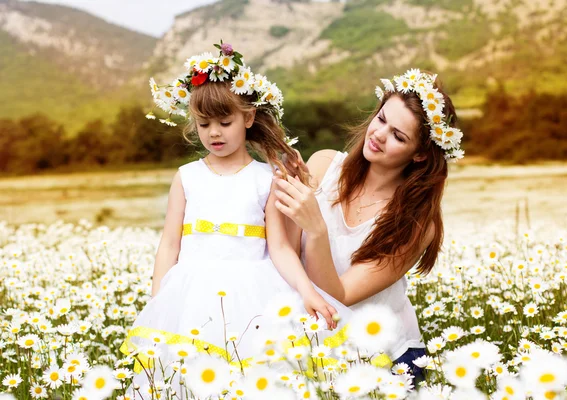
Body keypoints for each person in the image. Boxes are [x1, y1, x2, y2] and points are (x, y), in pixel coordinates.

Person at [120, 43, 349, 384]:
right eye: (203, 124)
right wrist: (158, 303)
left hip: (252, 295)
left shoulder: (266, 178)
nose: (214, 132)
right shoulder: (186, 177)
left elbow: (281, 248)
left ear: (248, 118)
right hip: (190, 296)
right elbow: (169, 246)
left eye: (225, 122)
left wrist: (307, 291)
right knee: (187, 379)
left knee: (251, 376)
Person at [275, 69, 464, 383]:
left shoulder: (416, 223)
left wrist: (317, 229)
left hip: (384, 359)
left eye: (398, 136)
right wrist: (288, 189)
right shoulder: (323, 164)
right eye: (381, 119)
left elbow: (340, 294)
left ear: (419, 155)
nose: (378, 134)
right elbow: (286, 255)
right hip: (315, 340)